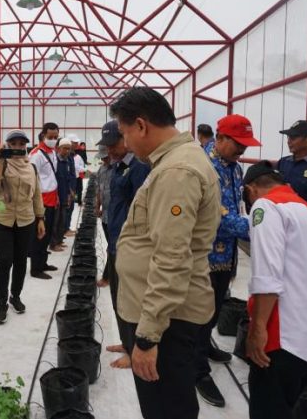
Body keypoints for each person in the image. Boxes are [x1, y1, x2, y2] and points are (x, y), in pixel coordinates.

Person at [113, 86, 220, 419]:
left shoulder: (177, 172)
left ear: (142, 125)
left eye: (125, 133)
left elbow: (171, 258)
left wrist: (146, 338)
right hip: (164, 312)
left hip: (166, 318)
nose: (126, 143)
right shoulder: (176, 161)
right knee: (170, 401)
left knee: (167, 407)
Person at [243, 161, 307, 419]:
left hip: (283, 337)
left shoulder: (266, 206)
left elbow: (267, 274)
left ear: (252, 189)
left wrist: (257, 329)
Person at [195, 114, 260, 407]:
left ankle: (205, 346)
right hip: (205, 254)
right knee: (199, 313)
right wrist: (257, 227)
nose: (242, 151)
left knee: (217, 304)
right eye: (238, 144)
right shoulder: (204, 167)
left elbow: (238, 204)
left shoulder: (234, 167)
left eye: (245, 146)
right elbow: (215, 214)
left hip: (227, 252)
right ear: (220, 139)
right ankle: (197, 371)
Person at [97, 119, 150, 369]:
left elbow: (141, 209)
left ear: (126, 140)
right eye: (106, 146)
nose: (110, 150)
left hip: (130, 243)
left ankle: (133, 349)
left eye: (113, 144)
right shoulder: (119, 167)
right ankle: (126, 341)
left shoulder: (139, 168)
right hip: (116, 238)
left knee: (130, 298)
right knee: (118, 295)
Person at [0, 130, 45, 324]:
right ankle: (1, 303)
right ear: (8, 145)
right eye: (14, 143)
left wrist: (40, 218)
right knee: (5, 260)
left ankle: (16, 296)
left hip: (25, 219)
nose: (18, 147)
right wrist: (0, 159)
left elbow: (37, 195)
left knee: (21, 260)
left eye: (22, 144)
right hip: (1, 218)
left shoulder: (32, 168)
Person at [28, 123, 61, 279]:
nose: (53, 140)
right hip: (41, 199)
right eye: (50, 137)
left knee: (47, 234)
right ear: (43, 136)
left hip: (52, 197)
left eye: (55, 137)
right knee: (39, 235)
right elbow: (32, 179)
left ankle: (43, 262)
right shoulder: (37, 154)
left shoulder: (53, 152)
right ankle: (35, 268)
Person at [51, 138, 74, 251]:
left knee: (63, 220)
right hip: (56, 196)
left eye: (69, 149)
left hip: (65, 194)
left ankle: (59, 240)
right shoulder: (55, 161)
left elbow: (68, 178)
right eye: (65, 148)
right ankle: (53, 243)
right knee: (56, 221)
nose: (67, 151)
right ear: (58, 148)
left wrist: (69, 193)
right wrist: (56, 196)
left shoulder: (67, 161)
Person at [95, 145, 112, 282]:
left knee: (112, 247)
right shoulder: (101, 170)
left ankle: (108, 276)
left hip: (116, 216)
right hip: (105, 216)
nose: (105, 160)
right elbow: (99, 191)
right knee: (111, 246)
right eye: (103, 158)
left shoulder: (119, 170)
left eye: (106, 157)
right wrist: (97, 207)